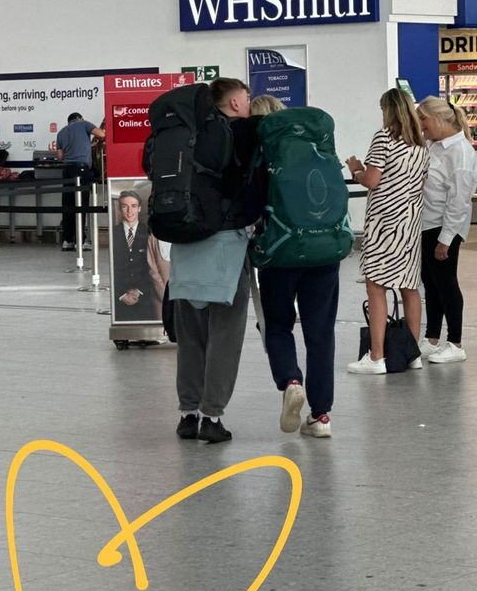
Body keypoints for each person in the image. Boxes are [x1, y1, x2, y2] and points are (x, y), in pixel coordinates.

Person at [171, 77, 256, 444]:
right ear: (234, 102)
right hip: (226, 245)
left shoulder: (181, 135)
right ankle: (212, 417)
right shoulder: (239, 135)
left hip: (185, 244)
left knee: (190, 335)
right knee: (225, 334)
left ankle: (187, 414)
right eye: (246, 96)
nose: (249, 102)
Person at [257, 106, 346, 438]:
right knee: (321, 332)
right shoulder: (319, 144)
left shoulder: (264, 151)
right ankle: (321, 416)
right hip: (326, 250)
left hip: (282, 251)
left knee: (277, 324)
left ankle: (291, 380)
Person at [346, 89, 428, 375]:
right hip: (410, 220)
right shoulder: (420, 143)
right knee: (409, 286)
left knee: (376, 284)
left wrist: (356, 170)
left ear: (388, 109)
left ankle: (377, 355)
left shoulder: (384, 138)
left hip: (385, 222)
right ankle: (412, 352)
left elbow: (372, 180)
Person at [416, 95, 477, 364]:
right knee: (431, 284)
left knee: (447, 284)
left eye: (423, 120)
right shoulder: (433, 146)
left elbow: (459, 199)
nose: (421, 126)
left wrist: (446, 239)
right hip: (427, 224)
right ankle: (431, 338)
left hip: (443, 226)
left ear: (439, 118)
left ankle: (455, 342)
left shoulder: (460, 152)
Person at [56, 112, 105, 251]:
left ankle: (67, 240)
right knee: (81, 205)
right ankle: (80, 241)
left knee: (68, 205)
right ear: (80, 118)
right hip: (81, 170)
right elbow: (101, 134)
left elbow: (60, 156)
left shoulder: (61, 132)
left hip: (66, 171)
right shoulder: (84, 124)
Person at [112, 190, 156, 321]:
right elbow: (111, 268)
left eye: (133, 206)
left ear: (139, 208)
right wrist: (121, 295)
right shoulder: (113, 233)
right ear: (120, 209)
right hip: (119, 299)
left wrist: (139, 291)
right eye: (125, 206)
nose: (129, 210)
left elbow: (154, 267)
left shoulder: (150, 233)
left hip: (145, 298)